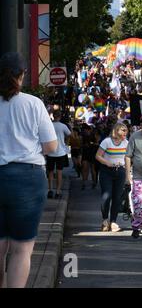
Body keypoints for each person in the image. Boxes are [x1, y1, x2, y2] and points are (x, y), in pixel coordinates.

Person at [0, 52, 58, 288]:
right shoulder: (33, 104)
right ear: (21, 76)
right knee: (21, 249)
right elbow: (51, 146)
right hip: (27, 178)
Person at [96, 123, 129, 232]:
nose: (125, 132)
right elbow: (98, 156)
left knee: (117, 197)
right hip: (107, 171)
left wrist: (128, 173)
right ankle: (105, 220)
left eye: (126, 130)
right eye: (123, 130)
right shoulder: (107, 141)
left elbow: (128, 159)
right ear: (116, 131)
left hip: (120, 171)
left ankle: (113, 222)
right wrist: (107, 162)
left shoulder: (126, 143)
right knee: (106, 195)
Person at [46, 110, 71, 199]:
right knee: (59, 172)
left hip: (50, 152)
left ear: (53, 116)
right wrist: (66, 144)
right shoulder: (63, 126)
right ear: (60, 116)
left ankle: (50, 190)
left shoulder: (49, 125)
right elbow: (69, 135)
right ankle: (58, 191)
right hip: (60, 152)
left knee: (50, 172)